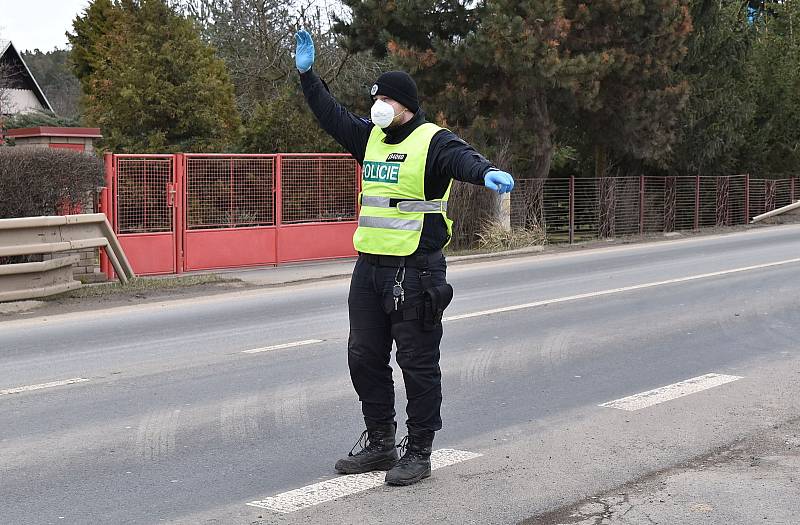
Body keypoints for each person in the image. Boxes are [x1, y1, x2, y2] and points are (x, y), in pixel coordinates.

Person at [294, 29, 514, 486]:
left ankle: (418, 451)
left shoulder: (433, 141)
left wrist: (487, 171)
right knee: (363, 356)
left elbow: (463, 158)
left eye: (385, 100)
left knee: (416, 362)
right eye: (375, 99)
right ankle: (380, 442)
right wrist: (308, 76)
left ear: (405, 104)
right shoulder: (370, 138)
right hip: (370, 268)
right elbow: (330, 115)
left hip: (417, 269)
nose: (377, 107)